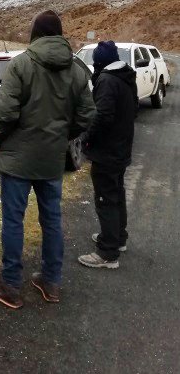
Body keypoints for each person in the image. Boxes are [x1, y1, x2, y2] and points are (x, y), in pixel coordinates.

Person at [0, 10, 94, 308]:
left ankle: (10, 284)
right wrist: (62, 135)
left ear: (35, 33)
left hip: (17, 159)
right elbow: (86, 115)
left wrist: (1, 139)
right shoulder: (77, 70)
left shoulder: (21, 65)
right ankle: (50, 281)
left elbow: (4, 114)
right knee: (52, 220)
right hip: (51, 158)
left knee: (13, 220)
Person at [78, 40, 138, 269]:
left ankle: (107, 252)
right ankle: (117, 237)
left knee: (106, 198)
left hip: (108, 151)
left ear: (100, 62)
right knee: (116, 193)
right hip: (121, 148)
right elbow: (132, 110)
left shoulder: (106, 81)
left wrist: (87, 138)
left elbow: (101, 117)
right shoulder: (126, 77)